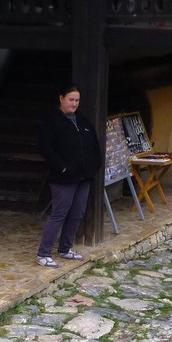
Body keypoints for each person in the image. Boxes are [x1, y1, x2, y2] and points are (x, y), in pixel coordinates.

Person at [36, 83, 103, 267]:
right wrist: (62, 167)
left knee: (77, 212)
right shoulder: (52, 121)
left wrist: (94, 165)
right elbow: (46, 148)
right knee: (59, 213)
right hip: (63, 178)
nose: (74, 104)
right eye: (71, 100)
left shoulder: (82, 120)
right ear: (61, 99)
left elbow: (94, 145)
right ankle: (43, 253)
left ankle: (65, 248)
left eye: (77, 100)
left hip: (84, 176)